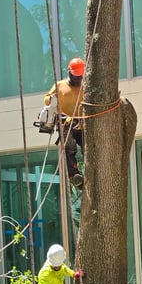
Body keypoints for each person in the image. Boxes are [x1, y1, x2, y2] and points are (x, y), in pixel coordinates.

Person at [44, 57, 85, 188]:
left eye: (80, 76)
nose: (78, 79)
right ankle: (74, 176)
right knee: (70, 147)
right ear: (69, 72)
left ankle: (91, 170)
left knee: (88, 146)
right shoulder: (60, 85)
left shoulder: (85, 86)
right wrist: (51, 99)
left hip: (83, 122)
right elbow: (46, 99)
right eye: (75, 76)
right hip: (65, 122)